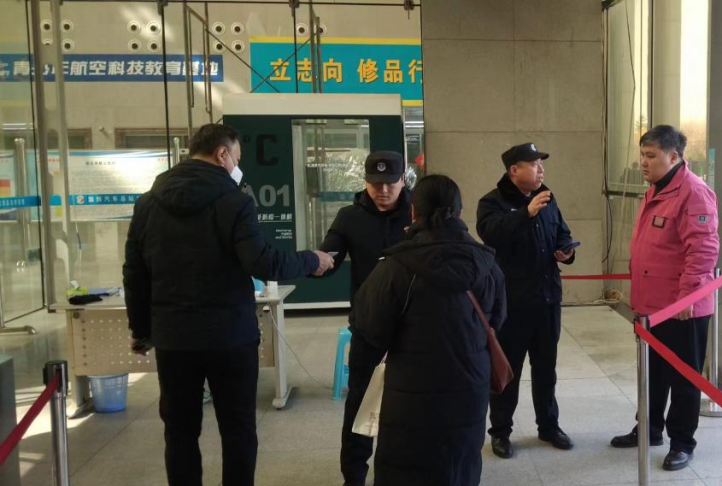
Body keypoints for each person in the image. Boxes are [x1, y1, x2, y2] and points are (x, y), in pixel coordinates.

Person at [123, 123, 335, 486]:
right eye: (237, 157)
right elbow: (263, 262)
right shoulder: (234, 202)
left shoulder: (147, 203)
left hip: (174, 339)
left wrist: (141, 330)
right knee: (237, 429)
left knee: (179, 431)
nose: (238, 165)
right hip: (230, 338)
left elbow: (135, 272)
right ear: (222, 154)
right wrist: (311, 260)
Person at [354, 174, 506, 486]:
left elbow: (371, 328)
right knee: (461, 464)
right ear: (460, 212)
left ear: (413, 212)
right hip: (469, 387)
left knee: (406, 467)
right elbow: (499, 319)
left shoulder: (395, 266)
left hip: (411, 394)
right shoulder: (487, 264)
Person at [610, 125, 720, 471]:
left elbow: (703, 250)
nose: (643, 162)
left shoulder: (693, 192)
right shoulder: (656, 190)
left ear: (674, 157)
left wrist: (687, 298)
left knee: (683, 379)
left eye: (651, 156)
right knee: (652, 373)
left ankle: (682, 443)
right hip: (651, 306)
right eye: (642, 155)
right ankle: (649, 428)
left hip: (682, 308)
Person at [316, 151, 412, 486]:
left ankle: (403, 471)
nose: (382, 190)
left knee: (410, 404)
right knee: (359, 402)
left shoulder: (418, 214)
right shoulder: (349, 217)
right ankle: (353, 475)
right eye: (375, 183)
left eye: (390, 183)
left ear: (403, 180)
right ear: (365, 182)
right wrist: (314, 263)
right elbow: (329, 255)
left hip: (413, 328)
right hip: (369, 327)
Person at [476, 142, 576, 459]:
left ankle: (549, 426)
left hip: (547, 300)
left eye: (541, 163)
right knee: (509, 371)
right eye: (533, 164)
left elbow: (562, 233)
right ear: (514, 170)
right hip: (512, 304)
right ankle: (501, 432)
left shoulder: (547, 197)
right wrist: (526, 213)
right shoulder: (491, 202)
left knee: (546, 369)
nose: (540, 169)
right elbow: (490, 234)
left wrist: (567, 251)